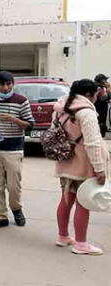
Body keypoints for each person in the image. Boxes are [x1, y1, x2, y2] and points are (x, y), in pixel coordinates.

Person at [53, 79, 108, 255]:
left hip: (65, 162)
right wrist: (99, 169)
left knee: (66, 199)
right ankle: (81, 244)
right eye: (95, 95)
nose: (96, 99)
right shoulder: (86, 113)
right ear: (88, 95)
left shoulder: (60, 110)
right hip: (83, 165)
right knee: (83, 203)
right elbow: (92, 143)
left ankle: (63, 236)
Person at [0, 71, 35, 230]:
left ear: (13, 84)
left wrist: (13, 119)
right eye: (2, 84)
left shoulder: (21, 101)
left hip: (14, 150)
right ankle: (0, 216)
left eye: (8, 84)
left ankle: (17, 209)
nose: (5, 88)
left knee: (13, 186)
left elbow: (30, 124)